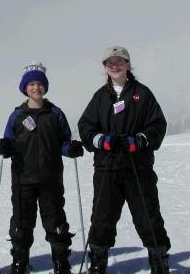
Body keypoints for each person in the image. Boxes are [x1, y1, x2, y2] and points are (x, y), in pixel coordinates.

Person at [78, 46, 171, 274]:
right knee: (101, 219)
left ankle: (159, 264)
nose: (115, 66)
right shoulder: (100, 97)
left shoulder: (142, 93)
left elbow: (158, 124)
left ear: (128, 65)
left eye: (120, 61)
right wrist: (103, 141)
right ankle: (97, 264)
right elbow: (85, 126)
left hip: (137, 167)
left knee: (148, 217)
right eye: (110, 63)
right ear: (105, 68)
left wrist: (139, 140)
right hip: (107, 168)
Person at [0, 62, 84, 274]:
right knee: (21, 225)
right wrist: (4, 146)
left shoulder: (55, 114)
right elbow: (9, 141)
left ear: (45, 87)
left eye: (40, 84)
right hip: (22, 179)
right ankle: (20, 263)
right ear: (25, 88)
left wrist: (70, 149)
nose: (36, 88)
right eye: (31, 84)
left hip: (50, 178)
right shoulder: (16, 116)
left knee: (55, 222)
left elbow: (63, 142)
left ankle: (61, 262)